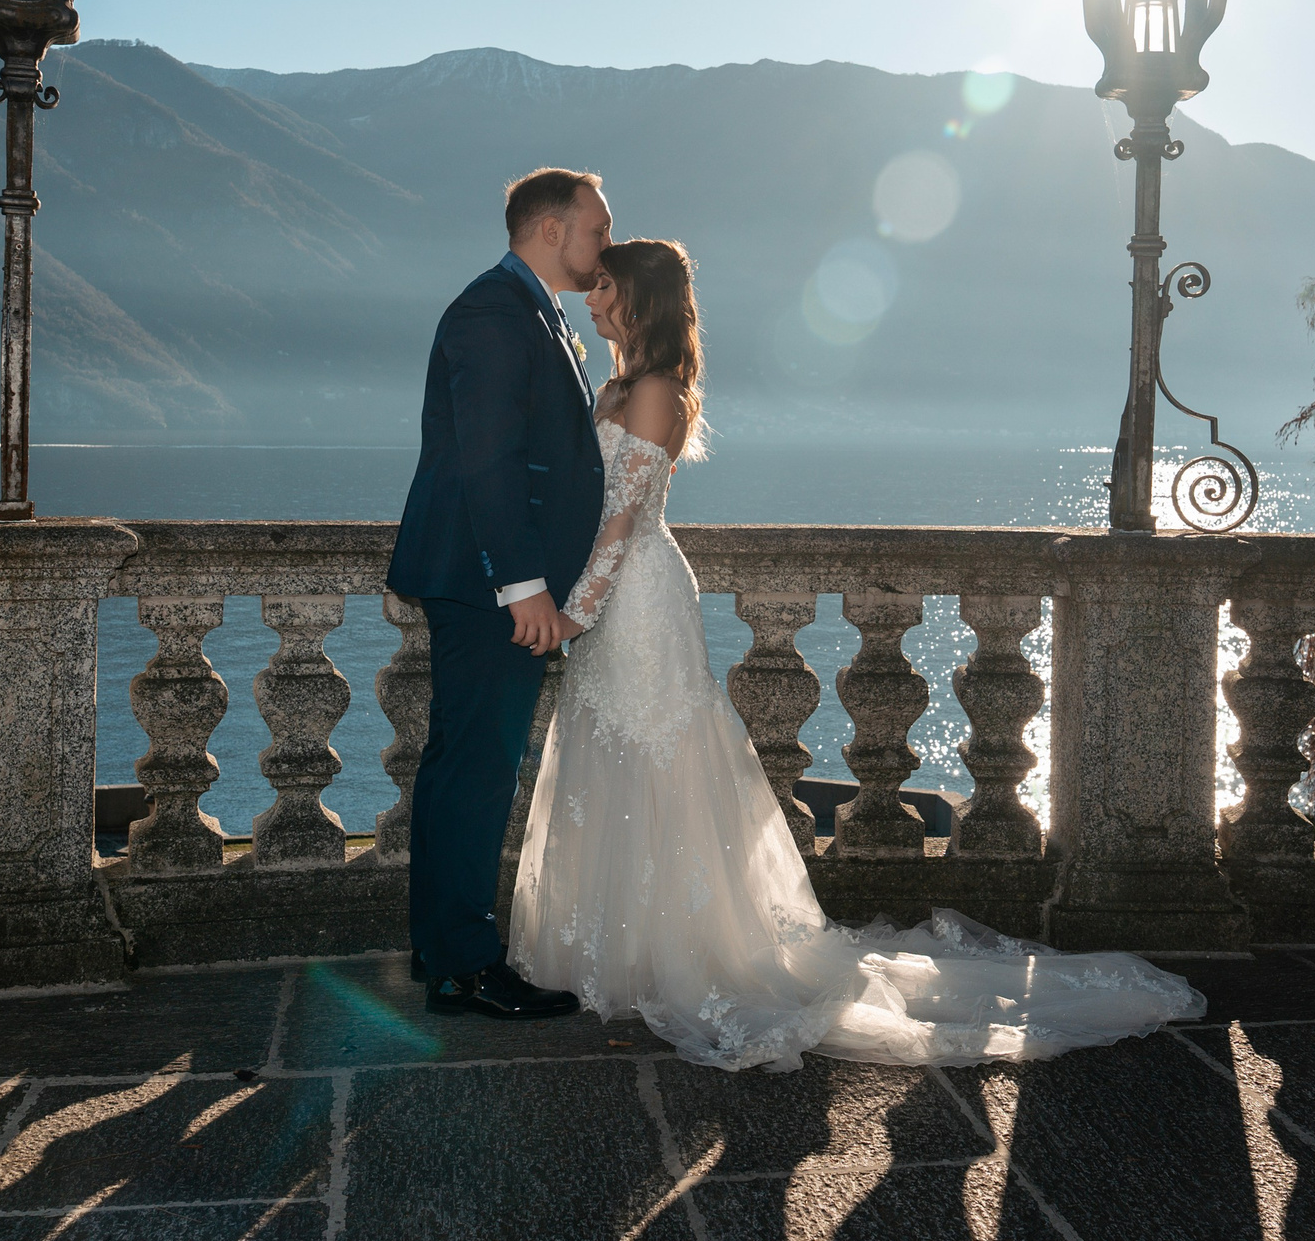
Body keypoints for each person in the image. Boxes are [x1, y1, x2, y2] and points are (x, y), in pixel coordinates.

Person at [509, 237, 1205, 1069]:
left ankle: (678, 953)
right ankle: (615, 949)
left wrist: (576, 613)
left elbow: (623, 519)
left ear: (640, 299)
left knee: (661, 758)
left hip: (637, 596)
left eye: (606, 288)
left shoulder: (654, 390)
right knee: (611, 753)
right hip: (610, 593)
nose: (591, 298)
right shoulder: (617, 385)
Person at [386, 168, 611, 1019]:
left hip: (490, 583)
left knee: (465, 767)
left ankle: (446, 951)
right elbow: (489, 457)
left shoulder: (531, 309)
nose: (604, 244)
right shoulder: (492, 310)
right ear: (550, 229)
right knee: (475, 771)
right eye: (597, 228)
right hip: (489, 587)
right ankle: (465, 964)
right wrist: (523, 587)